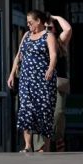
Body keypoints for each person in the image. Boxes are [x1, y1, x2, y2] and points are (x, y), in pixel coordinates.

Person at [7, 10, 58, 152]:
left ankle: (45, 146)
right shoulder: (26, 35)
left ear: (39, 21)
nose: (28, 25)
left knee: (44, 111)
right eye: (27, 23)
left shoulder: (49, 36)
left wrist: (50, 68)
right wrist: (12, 74)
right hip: (26, 80)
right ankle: (28, 146)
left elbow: (53, 55)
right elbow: (18, 56)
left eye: (30, 22)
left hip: (43, 80)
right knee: (26, 110)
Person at [33, 14, 72, 152]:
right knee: (40, 113)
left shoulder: (59, 42)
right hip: (41, 82)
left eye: (50, 28)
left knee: (58, 112)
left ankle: (57, 136)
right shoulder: (37, 41)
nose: (48, 30)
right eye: (45, 27)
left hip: (58, 82)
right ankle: (40, 145)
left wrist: (56, 17)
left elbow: (68, 29)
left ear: (54, 29)